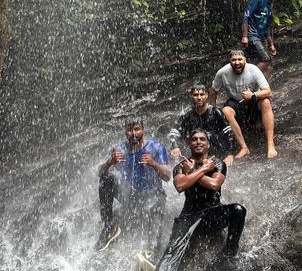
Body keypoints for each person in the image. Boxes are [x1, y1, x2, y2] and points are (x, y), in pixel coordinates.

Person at [155, 129, 246, 271]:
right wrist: (201, 170)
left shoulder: (217, 164)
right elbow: (180, 185)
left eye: (202, 139)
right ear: (189, 145)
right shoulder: (181, 167)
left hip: (212, 215)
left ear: (208, 145)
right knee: (170, 258)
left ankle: (227, 256)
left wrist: (193, 172)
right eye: (194, 139)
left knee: (238, 210)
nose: (198, 142)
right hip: (188, 218)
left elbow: (214, 185)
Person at [96, 118, 171, 259]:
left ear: (143, 129)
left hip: (154, 198)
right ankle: (109, 226)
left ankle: (151, 255)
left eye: (136, 129)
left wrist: (153, 163)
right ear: (125, 132)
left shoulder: (156, 147)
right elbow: (98, 173)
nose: (133, 133)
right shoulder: (118, 150)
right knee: (106, 178)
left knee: (155, 235)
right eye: (129, 130)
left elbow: (167, 176)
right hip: (130, 197)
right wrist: (109, 162)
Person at [209, 50, 277, 159]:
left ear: (245, 60)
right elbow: (213, 91)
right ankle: (244, 147)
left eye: (240, 59)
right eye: (234, 60)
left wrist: (253, 95)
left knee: (266, 102)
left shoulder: (253, 70)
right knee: (226, 111)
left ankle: (270, 144)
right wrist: (212, 109)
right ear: (229, 61)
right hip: (235, 101)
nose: (237, 62)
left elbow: (268, 91)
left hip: (253, 99)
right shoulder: (222, 73)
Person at [168, 84, 235, 167]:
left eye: (202, 94)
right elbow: (174, 132)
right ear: (191, 96)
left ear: (207, 95)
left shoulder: (215, 112)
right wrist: (175, 147)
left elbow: (228, 132)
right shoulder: (187, 114)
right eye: (196, 95)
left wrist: (230, 154)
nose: (199, 98)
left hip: (215, 152)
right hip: (194, 153)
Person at [240, 0, 280, 80]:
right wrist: (245, 36)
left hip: (260, 38)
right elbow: (246, 16)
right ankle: (247, 81)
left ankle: (260, 90)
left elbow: (266, 27)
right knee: (266, 59)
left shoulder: (269, 5)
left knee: (268, 68)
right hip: (252, 36)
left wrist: (271, 45)